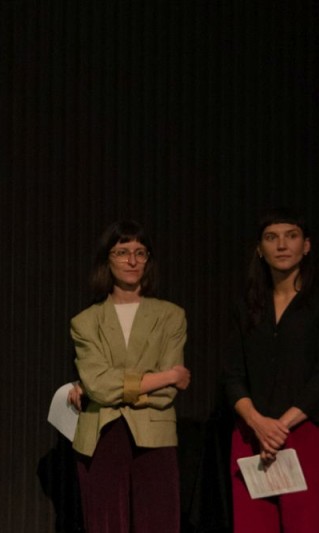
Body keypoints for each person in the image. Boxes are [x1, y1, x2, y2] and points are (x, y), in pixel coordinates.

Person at [224, 208, 319, 532]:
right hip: (252, 436)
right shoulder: (246, 305)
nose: (281, 245)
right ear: (259, 249)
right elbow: (232, 374)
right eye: (271, 237)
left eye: (290, 236)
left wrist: (280, 426)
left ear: (306, 246)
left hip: (307, 434)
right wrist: (258, 423)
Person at [70, 220, 191, 533]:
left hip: (155, 433)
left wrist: (116, 385)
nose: (132, 261)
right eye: (122, 252)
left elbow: (167, 395)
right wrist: (165, 376)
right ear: (107, 259)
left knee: (159, 524)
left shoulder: (171, 315)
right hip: (101, 434)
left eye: (140, 252)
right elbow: (97, 385)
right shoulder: (85, 321)